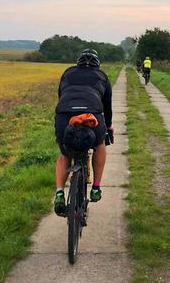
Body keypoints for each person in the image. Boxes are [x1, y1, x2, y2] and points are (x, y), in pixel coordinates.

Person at [53, 49, 114, 216]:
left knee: (65, 152)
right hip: (92, 114)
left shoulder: (68, 72)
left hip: (65, 114)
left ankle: (59, 193)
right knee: (99, 144)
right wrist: (108, 126)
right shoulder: (102, 76)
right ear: (97, 64)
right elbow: (107, 106)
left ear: (78, 62)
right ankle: (96, 188)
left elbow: (61, 96)